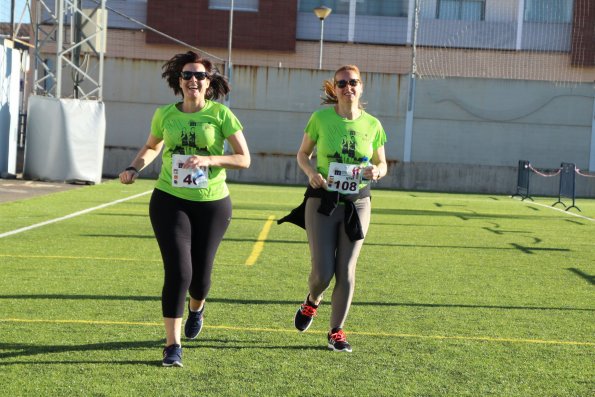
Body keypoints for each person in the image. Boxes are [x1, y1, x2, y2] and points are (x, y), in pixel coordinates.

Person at [119, 51, 250, 367]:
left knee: (201, 278)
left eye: (200, 76)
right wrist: (134, 167)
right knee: (179, 271)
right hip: (169, 200)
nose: (193, 80)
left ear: (209, 82)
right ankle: (172, 345)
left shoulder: (220, 116)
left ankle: (197, 308)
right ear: (178, 81)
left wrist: (209, 159)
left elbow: (244, 158)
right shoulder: (165, 114)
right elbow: (152, 147)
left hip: (212, 204)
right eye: (187, 75)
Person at [279, 65, 387, 352]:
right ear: (335, 88)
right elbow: (303, 154)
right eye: (342, 83)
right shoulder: (321, 118)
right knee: (323, 272)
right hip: (322, 201)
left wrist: (376, 172)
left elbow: (383, 163)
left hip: (358, 202)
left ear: (361, 87)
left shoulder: (373, 124)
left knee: (347, 270)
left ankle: (336, 330)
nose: (347, 87)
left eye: (353, 82)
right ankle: (312, 301)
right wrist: (311, 173)